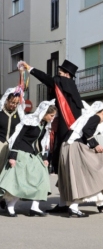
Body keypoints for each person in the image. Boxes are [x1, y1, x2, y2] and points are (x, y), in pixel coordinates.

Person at [20, 59, 84, 213]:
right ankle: (63, 203)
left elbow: (48, 79)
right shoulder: (71, 89)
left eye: (60, 73)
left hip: (66, 134)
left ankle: (71, 204)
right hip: (70, 133)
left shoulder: (63, 83)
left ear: (67, 75)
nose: (58, 76)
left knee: (66, 168)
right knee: (64, 168)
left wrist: (30, 68)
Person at [58, 101, 103, 217]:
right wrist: (95, 145)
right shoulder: (95, 117)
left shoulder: (85, 117)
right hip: (75, 147)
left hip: (67, 146)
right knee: (86, 175)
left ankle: (75, 205)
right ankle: (74, 207)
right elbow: (87, 130)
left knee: (77, 177)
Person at [0, 100, 57, 217]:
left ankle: (35, 207)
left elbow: (42, 142)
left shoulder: (44, 124)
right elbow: (17, 138)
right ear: (45, 112)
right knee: (21, 182)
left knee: (42, 177)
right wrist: (13, 156)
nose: (53, 118)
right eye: (51, 115)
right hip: (20, 153)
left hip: (32, 154)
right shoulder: (30, 121)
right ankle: (11, 206)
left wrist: (45, 157)